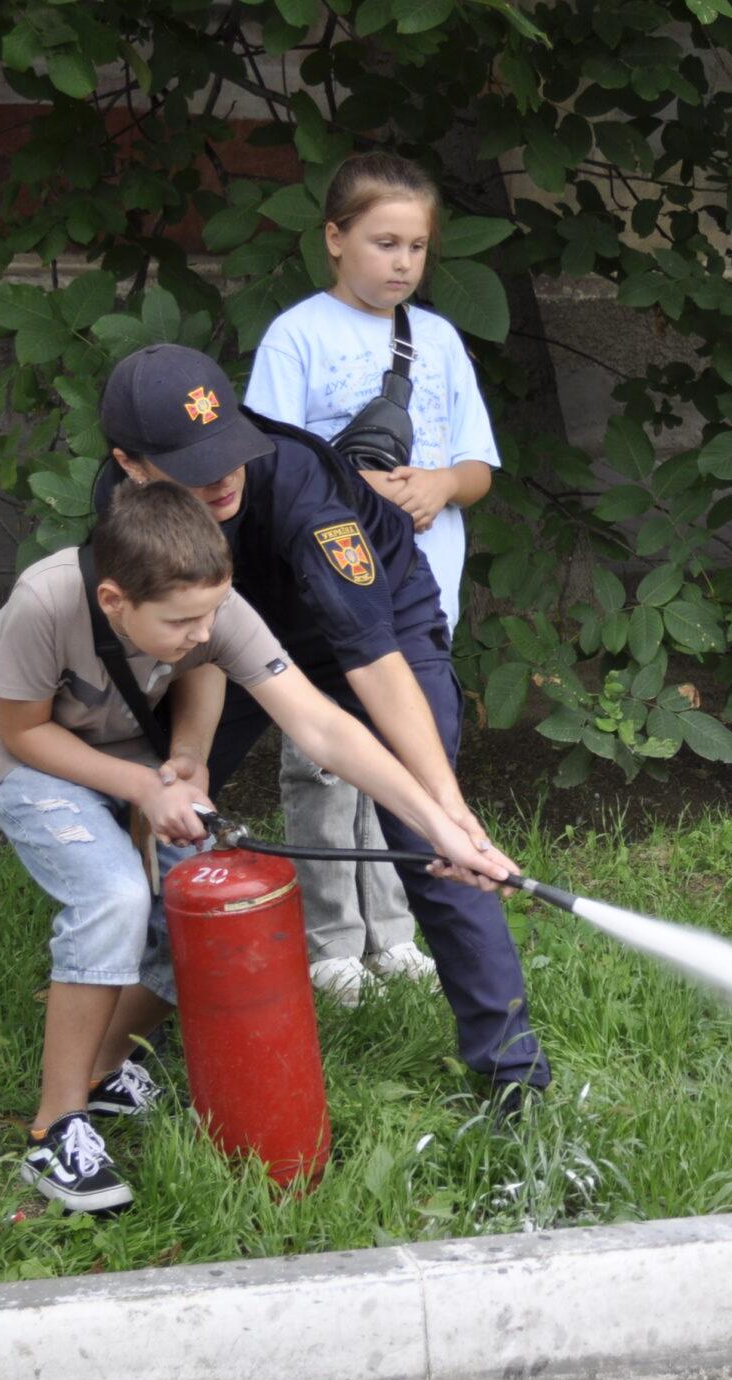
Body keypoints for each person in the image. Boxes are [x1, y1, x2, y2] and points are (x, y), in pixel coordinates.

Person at [0, 478, 516, 1213]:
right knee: (115, 892)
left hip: (128, 744)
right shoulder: (48, 599)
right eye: (185, 619)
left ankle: (108, 1068)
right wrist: (144, 787)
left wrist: (446, 827)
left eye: (215, 611)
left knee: (200, 905)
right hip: (18, 754)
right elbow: (21, 730)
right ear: (116, 602)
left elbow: (323, 726)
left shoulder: (208, 610)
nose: (206, 630)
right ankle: (56, 1128)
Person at [92, 342, 554, 1111]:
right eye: (193, 461)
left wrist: (449, 812)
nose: (222, 475)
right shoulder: (121, 511)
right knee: (140, 797)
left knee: (429, 838)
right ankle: (131, 1033)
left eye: (228, 448)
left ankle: (514, 1076)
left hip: (380, 624)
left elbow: (371, 660)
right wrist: (188, 755)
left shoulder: (297, 480)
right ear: (130, 466)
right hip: (237, 636)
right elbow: (197, 636)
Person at [244, 153, 502, 1007]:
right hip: (328, 595)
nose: (401, 262)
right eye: (383, 242)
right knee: (323, 765)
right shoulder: (298, 335)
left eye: (417, 247)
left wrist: (438, 486)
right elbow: (271, 469)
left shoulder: (439, 339)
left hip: (423, 594)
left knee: (405, 752)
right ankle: (331, 943)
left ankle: (393, 933)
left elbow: (477, 468)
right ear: (334, 239)